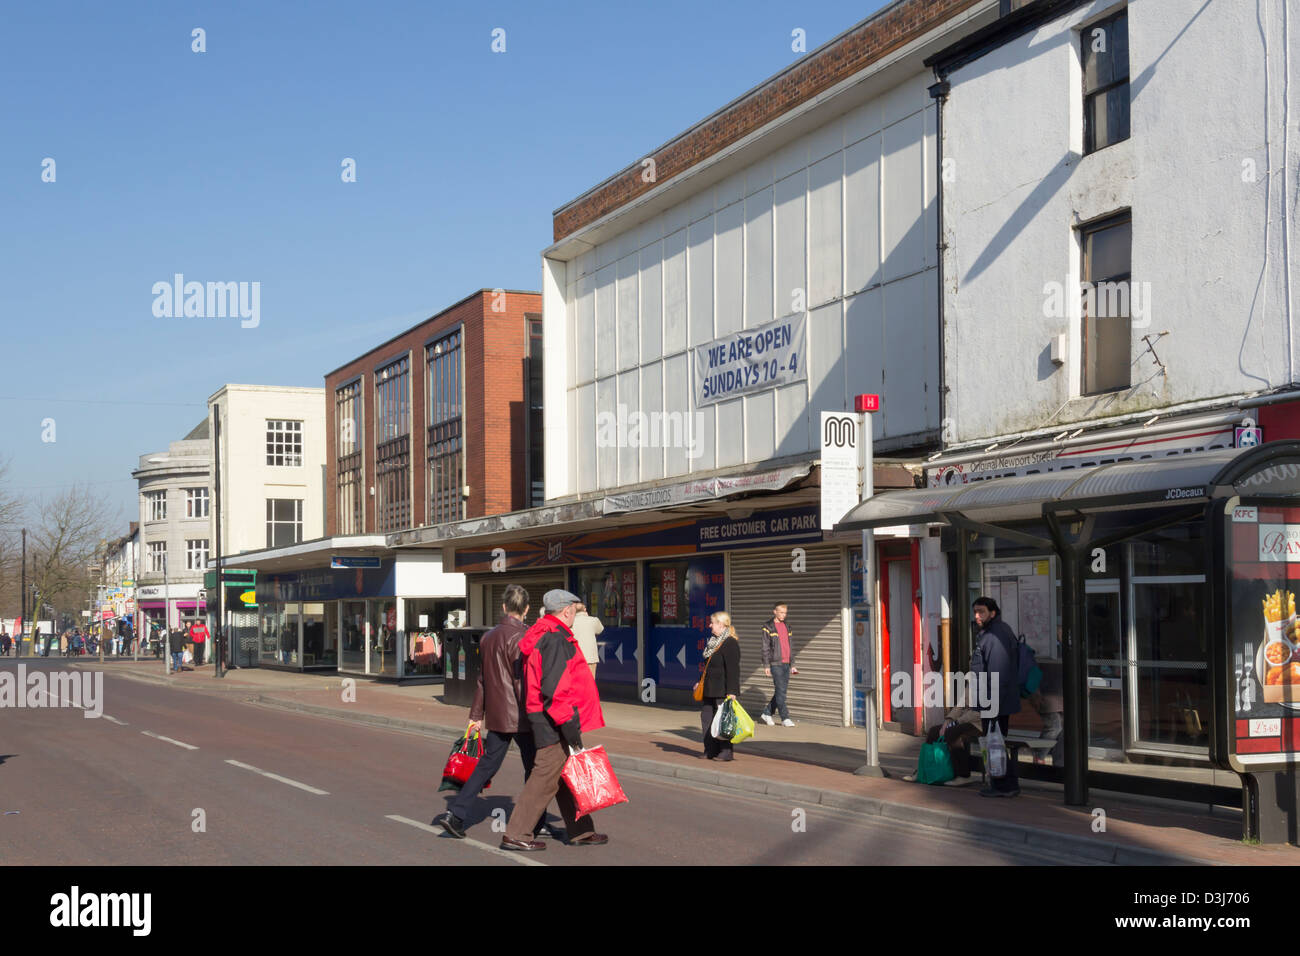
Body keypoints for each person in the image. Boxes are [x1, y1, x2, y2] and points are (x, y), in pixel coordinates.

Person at [436, 585, 558, 841]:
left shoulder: (488, 637)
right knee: (536, 770)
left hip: (499, 716)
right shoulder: (525, 637)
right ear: (526, 609)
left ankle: (455, 815)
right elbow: (522, 682)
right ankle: (536, 823)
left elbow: (482, 680)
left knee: (486, 767)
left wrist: (476, 716)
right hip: (524, 716)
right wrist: (539, 714)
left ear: (503, 607)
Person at [500, 589, 608, 852]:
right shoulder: (556, 639)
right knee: (544, 776)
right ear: (567, 611)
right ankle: (516, 833)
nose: (575, 615)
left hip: (544, 715)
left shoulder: (542, 633)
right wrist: (570, 726)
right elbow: (555, 690)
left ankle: (581, 830)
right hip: (554, 718)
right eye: (574, 610)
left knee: (561, 775)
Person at [971, 596, 1021, 797]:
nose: (976, 615)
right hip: (995, 699)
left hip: (995, 701)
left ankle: (1004, 785)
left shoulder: (994, 636)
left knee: (995, 741)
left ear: (992, 613)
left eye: (981, 611)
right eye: (975, 611)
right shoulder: (993, 632)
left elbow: (997, 673)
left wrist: (992, 704)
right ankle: (1002, 783)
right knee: (996, 741)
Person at [904, 704, 983, 784]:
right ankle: (922, 771)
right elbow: (960, 705)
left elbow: (978, 713)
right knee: (934, 731)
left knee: (952, 733)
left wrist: (956, 722)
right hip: (964, 720)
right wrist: (948, 721)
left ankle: (963, 775)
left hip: (980, 723)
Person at [700, 611, 741, 762]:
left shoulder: (730, 643)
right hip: (709, 688)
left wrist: (732, 692)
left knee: (723, 721)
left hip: (722, 690)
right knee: (707, 719)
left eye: (712, 623)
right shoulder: (713, 642)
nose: (710, 625)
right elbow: (708, 667)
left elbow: (733, 670)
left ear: (721, 624)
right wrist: (700, 681)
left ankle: (725, 751)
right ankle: (710, 750)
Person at [760, 602, 799, 727]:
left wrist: (792, 664)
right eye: (781, 612)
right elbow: (765, 648)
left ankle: (767, 713)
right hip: (775, 663)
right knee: (781, 691)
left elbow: (790, 647)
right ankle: (785, 717)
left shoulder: (787, 626)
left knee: (781, 691)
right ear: (775, 612)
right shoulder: (768, 626)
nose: (783, 615)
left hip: (787, 663)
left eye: (785, 613)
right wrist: (766, 665)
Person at [571, 604, 604, 680]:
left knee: (577, 681)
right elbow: (600, 629)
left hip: (576, 657)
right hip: (590, 657)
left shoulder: (570, 622)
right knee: (590, 682)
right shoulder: (593, 620)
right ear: (585, 609)